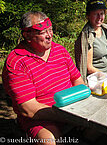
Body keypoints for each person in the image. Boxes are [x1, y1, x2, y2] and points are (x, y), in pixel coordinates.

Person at [2, 11, 85, 144]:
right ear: (27, 35)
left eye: (50, 30)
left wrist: (81, 110)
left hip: (72, 110)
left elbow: (77, 81)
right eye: (43, 32)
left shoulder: (60, 51)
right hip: (40, 119)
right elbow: (29, 108)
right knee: (49, 140)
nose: (49, 35)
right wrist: (68, 117)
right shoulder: (16, 62)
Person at [75, 0, 107, 83]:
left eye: (101, 14)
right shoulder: (87, 36)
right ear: (88, 16)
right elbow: (89, 68)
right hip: (97, 79)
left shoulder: (105, 29)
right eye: (95, 14)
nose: (99, 17)